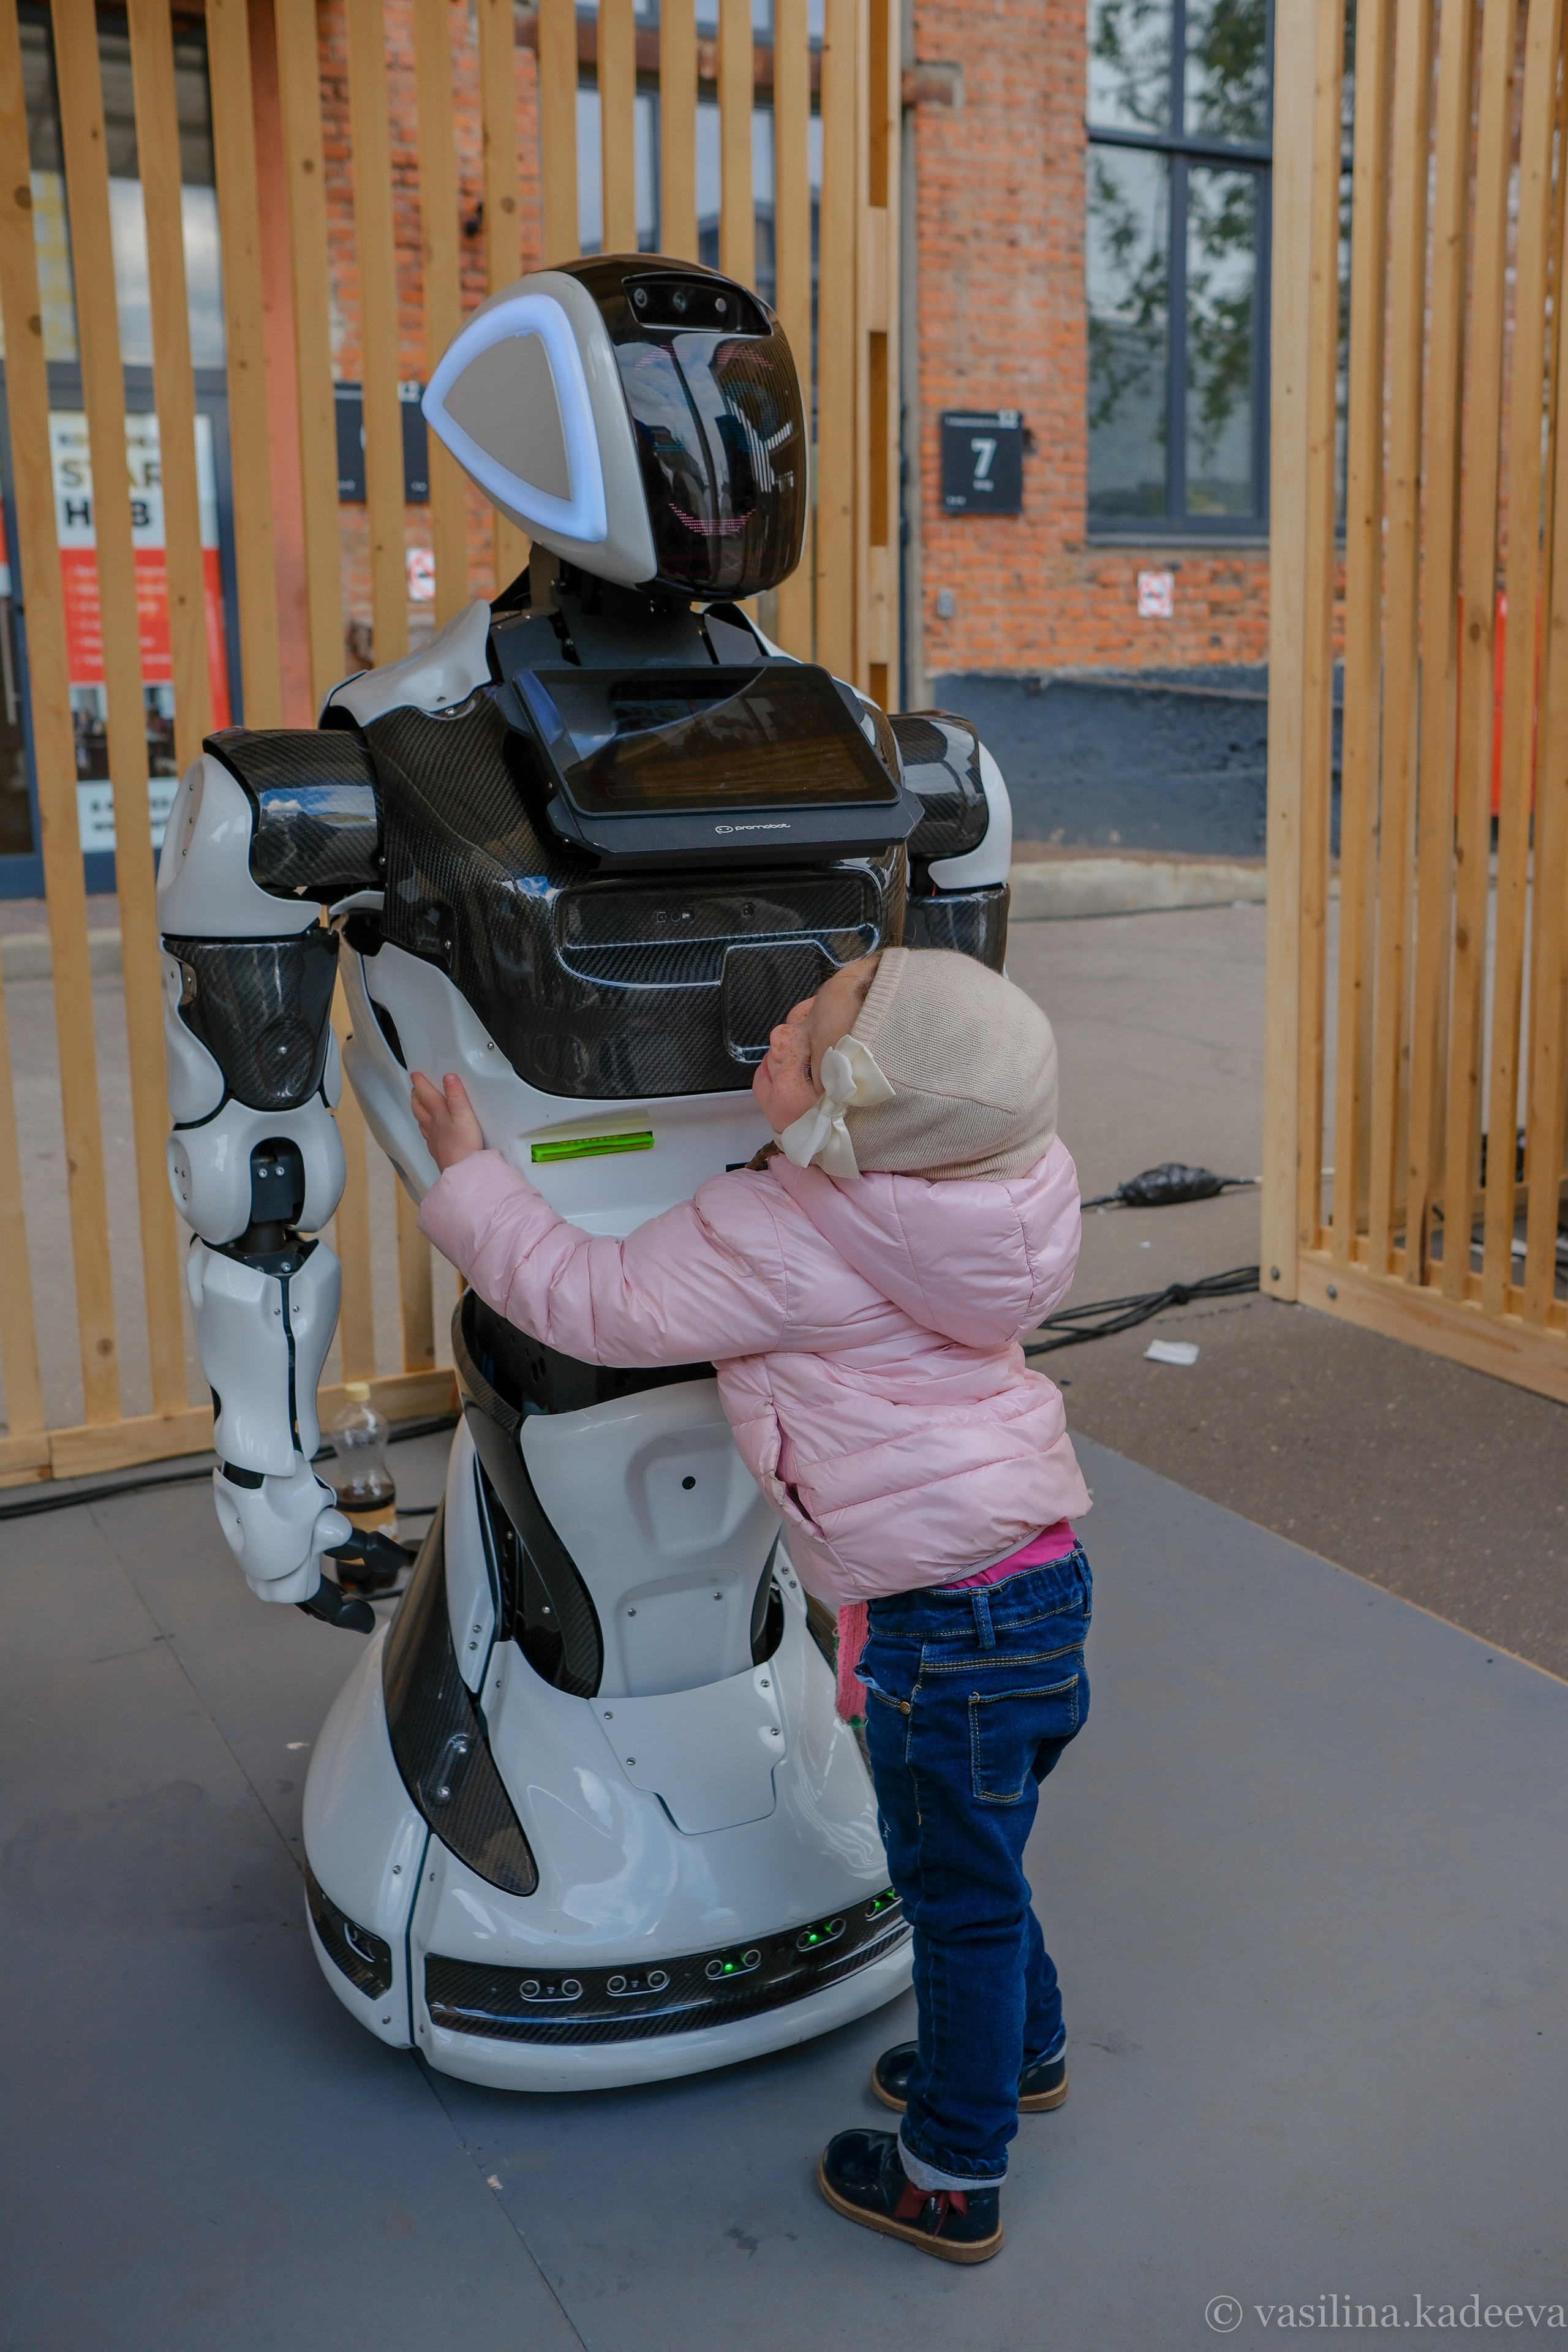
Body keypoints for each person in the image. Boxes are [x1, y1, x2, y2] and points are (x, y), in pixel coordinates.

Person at [411, 945, 1091, 2266]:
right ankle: (1026, 2052)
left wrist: (470, 1176)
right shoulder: (995, 1205)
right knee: (980, 1864)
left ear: (841, 1111)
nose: (771, 1020)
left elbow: (590, 1303)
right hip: (1040, 1586)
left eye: (800, 1035)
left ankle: (950, 2171)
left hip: (935, 1628)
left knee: (953, 1893)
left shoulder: (775, 1232)